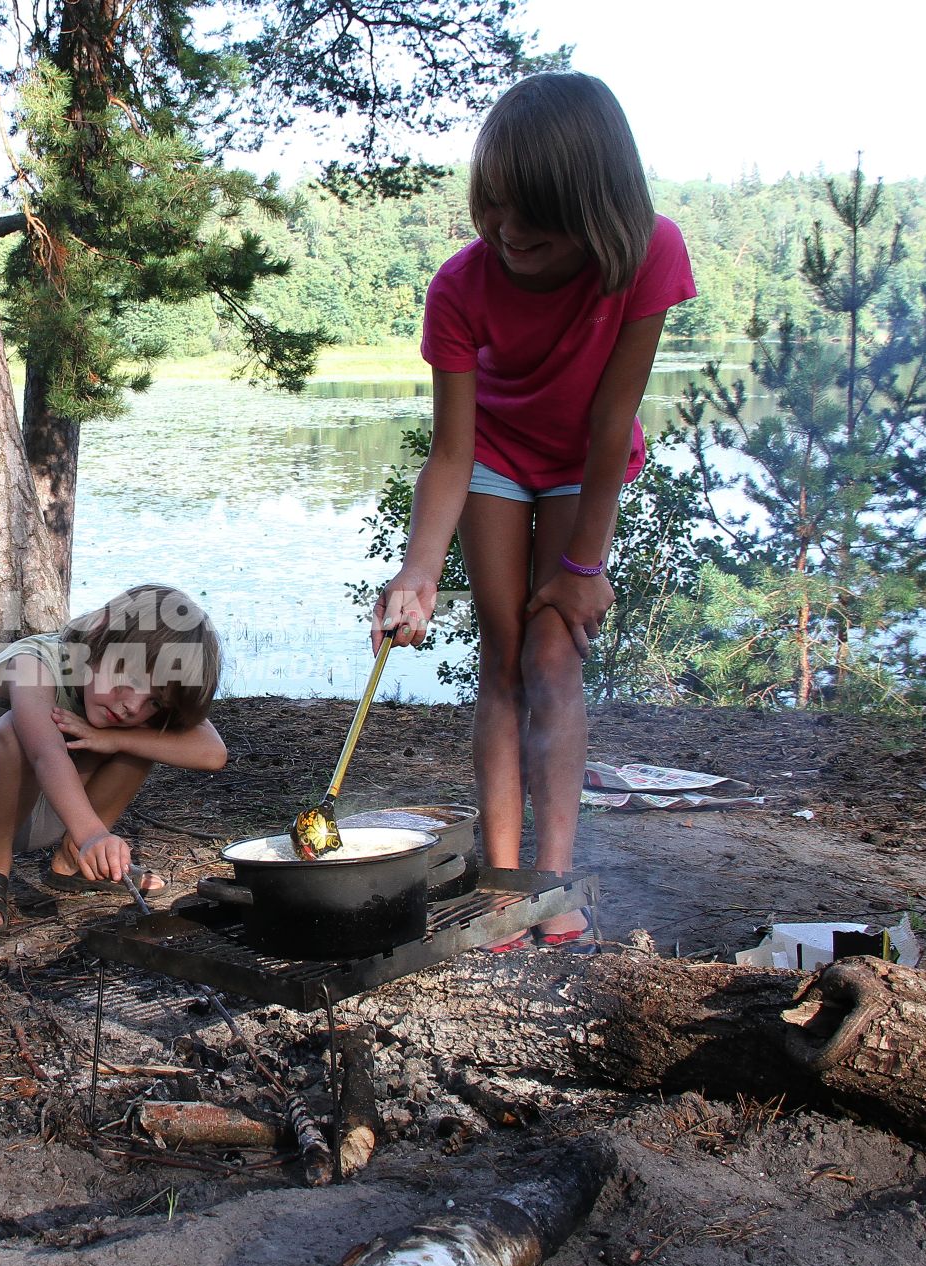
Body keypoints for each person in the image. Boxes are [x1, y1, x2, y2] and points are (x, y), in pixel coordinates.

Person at [371, 72, 695, 951]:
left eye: (535, 220)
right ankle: (504, 883)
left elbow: (608, 426)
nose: (509, 233)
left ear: (595, 213)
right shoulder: (460, 287)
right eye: (497, 208)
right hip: (497, 459)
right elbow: (452, 451)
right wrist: (418, 573)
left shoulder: (650, 256)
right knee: (506, 654)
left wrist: (583, 571)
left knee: (558, 655)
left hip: (585, 464)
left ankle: (555, 881)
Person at [0, 584, 229, 934]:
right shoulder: (33, 662)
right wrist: (92, 833)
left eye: (155, 701)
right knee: (19, 729)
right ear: (99, 635)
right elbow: (45, 752)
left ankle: (73, 861)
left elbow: (213, 753)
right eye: (130, 678)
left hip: (54, 807)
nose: (133, 705)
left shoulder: (127, 710)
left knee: (146, 737)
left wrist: (112, 738)